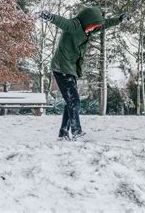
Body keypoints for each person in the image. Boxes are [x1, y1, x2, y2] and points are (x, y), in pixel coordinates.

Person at [37, 7, 131, 140]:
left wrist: (119, 20)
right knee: (74, 101)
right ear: (87, 22)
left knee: (71, 102)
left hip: (71, 69)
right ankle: (76, 132)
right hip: (61, 68)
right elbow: (62, 22)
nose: (93, 29)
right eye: (93, 26)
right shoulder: (75, 25)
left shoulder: (88, 30)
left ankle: (63, 134)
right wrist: (50, 17)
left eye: (95, 27)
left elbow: (105, 24)